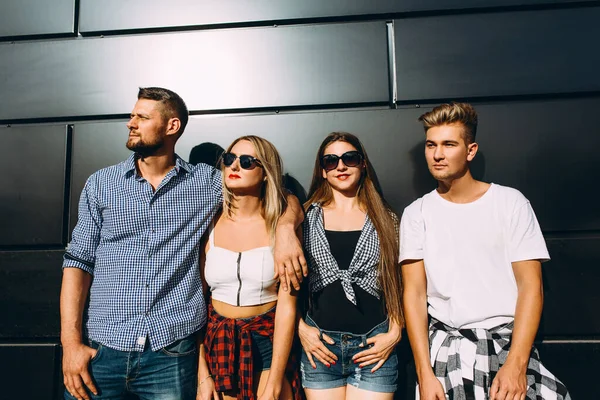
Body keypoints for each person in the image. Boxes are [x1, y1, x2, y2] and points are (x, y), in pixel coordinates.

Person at [60, 87, 305, 400]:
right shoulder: (101, 184)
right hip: (102, 351)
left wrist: (285, 227)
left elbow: (280, 193)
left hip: (171, 354)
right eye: (132, 115)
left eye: (142, 117)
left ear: (171, 126)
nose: (130, 123)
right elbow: (77, 262)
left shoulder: (206, 183)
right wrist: (71, 344)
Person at [400, 102, 571, 400]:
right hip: (448, 349)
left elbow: (531, 287)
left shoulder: (510, 203)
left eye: (448, 144)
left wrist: (517, 366)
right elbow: (414, 295)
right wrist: (424, 375)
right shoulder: (417, 214)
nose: (437, 154)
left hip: (508, 345)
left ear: (470, 150)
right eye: (431, 145)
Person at [298, 132, 404, 400]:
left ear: (363, 163)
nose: (341, 166)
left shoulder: (387, 219)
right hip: (321, 347)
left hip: (373, 348)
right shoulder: (303, 217)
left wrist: (395, 331)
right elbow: (286, 285)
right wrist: (301, 329)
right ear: (322, 171)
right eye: (331, 161)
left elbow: (402, 283)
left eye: (350, 158)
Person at [197, 135, 301, 400]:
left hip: (269, 341)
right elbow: (194, 304)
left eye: (246, 162)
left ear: (266, 173)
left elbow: (288, 306)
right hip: (219, 344)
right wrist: (202, 375)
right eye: (229, 159)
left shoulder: (282, 227)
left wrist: (276, 382)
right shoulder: (207, 221)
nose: (234, 167)